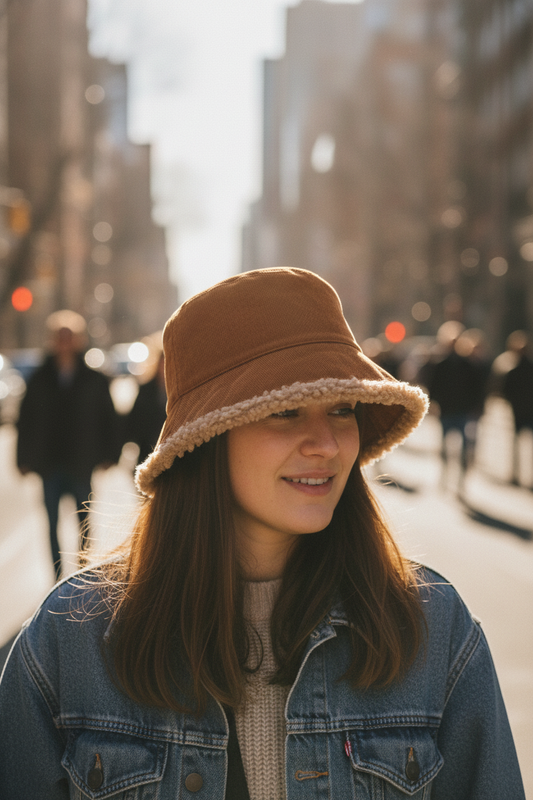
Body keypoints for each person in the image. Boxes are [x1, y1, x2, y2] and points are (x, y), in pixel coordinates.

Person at [0, 268, 525, 799]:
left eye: (342, 409)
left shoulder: (433, 629)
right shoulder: (71, 643)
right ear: (207, 439)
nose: (325, 443)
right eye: (284, 412)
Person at [16, 310, 120, 579]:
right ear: (52, 341)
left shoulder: (93, 378)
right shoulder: (39, 377)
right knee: (51, 524)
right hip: (49, 465)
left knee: (84, 522)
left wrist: (111, 454)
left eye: (69, 337)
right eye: (59, 337)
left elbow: (108, 418)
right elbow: (25, 420)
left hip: (81, 462)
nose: (64, 342)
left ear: (78, 340)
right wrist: (22, 459)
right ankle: (57, 578)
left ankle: (83, 576)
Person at [425, 321, 489, 490]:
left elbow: (477, 388)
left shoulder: (468, 365)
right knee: (445, 446)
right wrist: (432, 404)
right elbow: (433, 386)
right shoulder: (440, 364)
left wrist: (476, 407)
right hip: (448, 410)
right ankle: (445, 476)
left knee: (462, 448)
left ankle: (460, 480)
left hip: (462, 411)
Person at [501, 330, 533, 489]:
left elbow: (504, 390)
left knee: (516, 443)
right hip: (526, 411)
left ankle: (515, 473)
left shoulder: (512, 369)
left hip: (518, 411)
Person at [124, 349, 167, 464]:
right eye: (163, 364)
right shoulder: (146, 390)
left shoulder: (181, 392)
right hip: (148, 452)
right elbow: (134, 420)